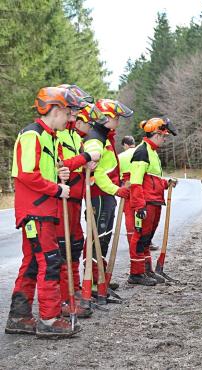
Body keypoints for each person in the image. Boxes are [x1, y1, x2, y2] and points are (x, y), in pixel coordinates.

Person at [6, 86, 94, 338]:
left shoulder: (50, 136)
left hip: (44, 209)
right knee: (50, 262)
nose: (70, 119)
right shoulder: (32, 135)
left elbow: (46, 168)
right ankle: (50, 319)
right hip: (36, 210)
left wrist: (60, 173)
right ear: (54, 110)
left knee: (33, 263)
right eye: (67, 113)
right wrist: (57, 189)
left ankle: (19, 317)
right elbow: (26, 174)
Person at [56, 89, 107, 318]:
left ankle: (74, 292)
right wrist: (85, 159)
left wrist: (86, 165)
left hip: (75, 198)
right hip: (61, 199)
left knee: (74, 246)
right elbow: (61, 164)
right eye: (74, 111)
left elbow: (75, 164)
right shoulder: (58, 134)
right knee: (61, 249)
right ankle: (63, 298)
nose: (75, 116)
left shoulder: (76, 137)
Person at [82, 99, 133, 291]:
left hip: (106, 195)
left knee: (104, 237)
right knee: (98, 237)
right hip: (99, 195)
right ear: (106, 117)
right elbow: (97, 173)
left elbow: (108, 168)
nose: (118, 121)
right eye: (116, 117)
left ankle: (100, 277)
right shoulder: (95, 139)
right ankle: (93, 281)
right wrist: (116, 189)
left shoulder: (105, 137)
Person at [128, 118, 177, 285]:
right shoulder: (142, 152)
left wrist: (166, 183)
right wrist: (139, 205)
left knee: (147, 238)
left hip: (155, 201)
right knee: (140, 237)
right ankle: (136, 274)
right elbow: (136, 181)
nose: (164, 139)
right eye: (163, 136)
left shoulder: (153, 152)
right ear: (156, 134)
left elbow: (152, 179)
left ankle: (146, 270)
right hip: (146, 203)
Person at [117, 135, 138, 245]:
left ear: (125, 145)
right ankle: (144, 240)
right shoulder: (142, 152)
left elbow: (116, 174)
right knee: (141, 211)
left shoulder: (120, 157)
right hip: (140, 184)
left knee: (129, 214)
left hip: (126, 185)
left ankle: (131, 240)